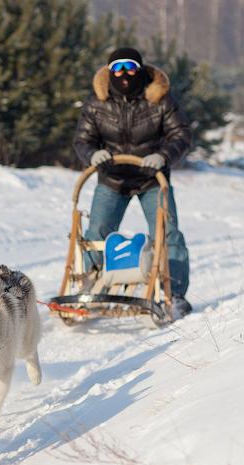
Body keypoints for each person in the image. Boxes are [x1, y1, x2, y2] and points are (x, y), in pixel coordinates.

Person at [73, 47, 193, 318]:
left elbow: (181, 135)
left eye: (129, 67)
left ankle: (175, 294)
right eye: (117, 68)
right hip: (112, 178)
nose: (123, 74)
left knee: (168, 233)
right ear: (109, 72)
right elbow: (82, 139)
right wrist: (93, 154)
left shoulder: (159, 98)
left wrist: (163, 156)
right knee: (96, 233)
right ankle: (90, 284)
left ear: (139, 69)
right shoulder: (97, 101)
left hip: (152, 178)